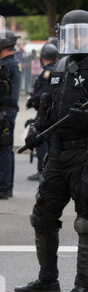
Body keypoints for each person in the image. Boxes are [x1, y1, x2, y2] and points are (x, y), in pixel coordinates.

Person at [15, 10, 88, 292]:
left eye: (82, 33)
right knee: (42, 216)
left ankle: (82, 285)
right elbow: (48, 106)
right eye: (70, 33)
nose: (77, 39)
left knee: (86, 221)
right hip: (58, 153)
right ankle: (47, 280)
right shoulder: (59, 67)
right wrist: (35, 129)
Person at [26, 42, 59, 181]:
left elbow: (45, 92)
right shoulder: (56, 69)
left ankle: (42, 170)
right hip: (52, 111)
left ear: (43, 57)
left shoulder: (47, 72)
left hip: (45, 112)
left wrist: (32, 98)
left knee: (41, 140)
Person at [0, 29, 22, 199]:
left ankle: (4, 188)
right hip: (8, 111)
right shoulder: (12, 63)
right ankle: (6, 187)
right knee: (6, 149)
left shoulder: (6, 66)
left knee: (4, 149)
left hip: (4, 112)